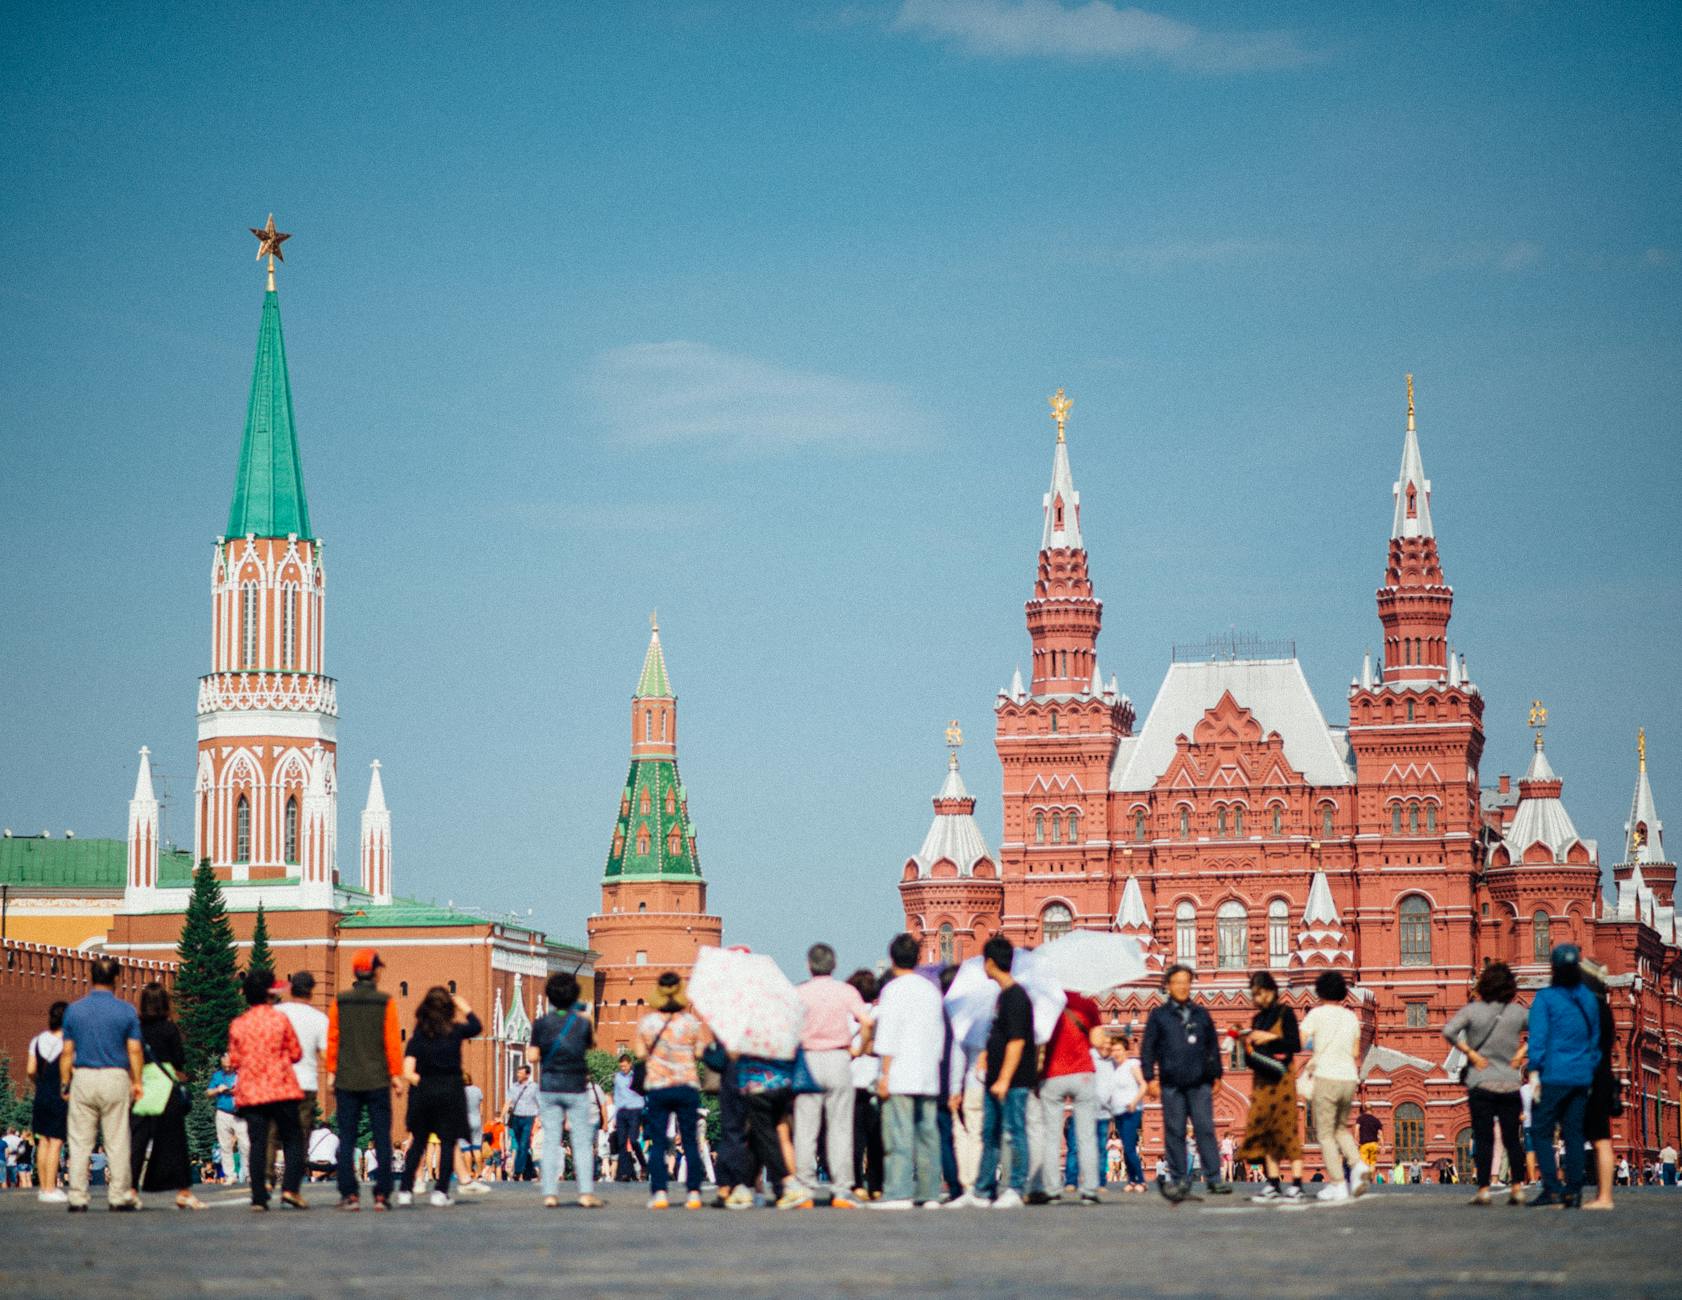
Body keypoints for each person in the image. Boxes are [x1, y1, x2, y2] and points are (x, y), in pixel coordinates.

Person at [60, 956, 144, 1212]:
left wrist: (65, 1083)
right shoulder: (126, 1010)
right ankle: (118, 1195)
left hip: (83, 1076)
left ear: (90, 976)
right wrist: (137, 1081)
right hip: (115, 1076)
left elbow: (66, 1051)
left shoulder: (74, 1010)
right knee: (117, 1139)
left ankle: (77, 1196)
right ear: (117, 979)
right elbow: (134, 1050)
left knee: (79, 1140)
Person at [1442, 960, 1528, 1206]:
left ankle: (1483, 1191)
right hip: (1510, 1084)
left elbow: (1449, 1031)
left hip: (1481, 1083)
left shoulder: (1473, 1011)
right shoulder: (1516, 1012)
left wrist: (1471, 1053)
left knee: (1483, 1136)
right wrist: (1521, 1053)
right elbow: (1545, 1029)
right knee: (1512, 1138)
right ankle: (1517, 1188)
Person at [1141, 963, 1227, 1203]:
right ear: (1168, 986)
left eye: (1186, 982)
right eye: (1177, 982)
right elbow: (1147, 1048)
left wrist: (1217, 1075)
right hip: (1171, 1083)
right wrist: (1149, 1078)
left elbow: (1212, 1046)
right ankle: (1179, 1178)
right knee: (1175, 1131)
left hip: (1200, 1082)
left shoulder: (1201, 1014)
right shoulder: (1159, 1016)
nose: (1182, 986)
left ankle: (1214, 1178)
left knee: (1205, 1129)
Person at [872, 934, 946, 1209]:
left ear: (892, 960)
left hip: (901, 1072)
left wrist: (884, 1073)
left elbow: (888, 1034)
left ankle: (898, 1191)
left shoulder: (892, 990)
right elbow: (939, 1032)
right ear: (917, 958)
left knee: (898, 1135)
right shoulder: (931, 990)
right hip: (928, 1072)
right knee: (928, 1134)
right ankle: (929, 1193)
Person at [794, 941, 871, 1206]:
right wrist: (860, 1049)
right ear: (834, 965)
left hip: (809, 1061)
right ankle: (841, 1189)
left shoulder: (800, 993)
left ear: (808, 965)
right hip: (839, 1058)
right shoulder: (845, 991)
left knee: (806, 1128)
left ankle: (804, 1188)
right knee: (840, 1127)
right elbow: (867, 1021)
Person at [325, 948, 402, 1211]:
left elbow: (333, 1039)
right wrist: (396, 1075)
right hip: (377, 1079)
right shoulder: (385, 1002)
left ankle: (349, 1194)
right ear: (375, 972)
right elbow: (392, 1042)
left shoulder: (340, 1002)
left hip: (347, 1078)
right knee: (382, 1136)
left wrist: (331, 1071)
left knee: (346, 1137)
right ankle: (382, 1194)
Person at [962, 936, 1035, 1209]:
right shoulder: (1003, 997)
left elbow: (1017, 1041)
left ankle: (1015, 1187)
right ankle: (982, 1190)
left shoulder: (1016, 997)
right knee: (990, 1133)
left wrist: (1004, 1078)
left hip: (1012, 1081)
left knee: (1014, 1132)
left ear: (990, 963)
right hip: (996, 1079)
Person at [1527, 943, 1599, 1208]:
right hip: (1581, 1077)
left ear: (1554, 968)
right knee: (1574, 1134)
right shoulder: (1589, 999)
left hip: (1553, 1077)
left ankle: (1553, 1188)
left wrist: (1534, 1072)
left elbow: (1538, 1038)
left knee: (1542, 1132)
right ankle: (1574, 1191)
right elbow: (1595, 1040)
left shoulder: (1546, 998)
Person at [228, 967, 306, 1211]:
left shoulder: (239, 1024)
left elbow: (234, 1060)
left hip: (251, 1092)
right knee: (293, 1139)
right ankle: (291, 1189)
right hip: (281, 1088)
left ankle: (259, 1197)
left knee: (257, 1143)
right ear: (270, 994)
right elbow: (296, 1053)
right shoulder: (280, 1020)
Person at [635, 970, 712, 1211]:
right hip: (686, 1086)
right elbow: (700, 1052)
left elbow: (639, 1054)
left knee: (659, 1142)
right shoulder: (689, 1023)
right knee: (689, 1141)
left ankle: (659, 1193)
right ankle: (694, 1194)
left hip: (658, 1087)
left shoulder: (647, 1023)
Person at [396, 986, 480, 1207]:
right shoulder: (455, 1032)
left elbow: (407, 1071)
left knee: (418, 1143)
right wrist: (465, 1007)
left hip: (423, 1095)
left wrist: (424, 1083)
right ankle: (441, 1191)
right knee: (447, 1142)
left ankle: (405, 1189)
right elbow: (476, 1027)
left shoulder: (418, 1038)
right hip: (450, 1093)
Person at [528, 971, 603, 1209]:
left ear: (549, 996)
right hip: (576, 1087)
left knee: (551, 1140)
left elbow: (531, 1056)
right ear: (574, 996)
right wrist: (587, 1018)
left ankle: (550, 1193)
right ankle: (585, 1193)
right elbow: (593, 1044)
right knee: (581, 1142)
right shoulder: (581, 1023)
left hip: (549, 1087)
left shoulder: (541, 1024)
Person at [128, 982, 201, 1210]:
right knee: (176, 1141)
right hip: (166, 1086)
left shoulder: (136, 1029)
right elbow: (179, 1058)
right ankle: (183, 1192)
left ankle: (130, 1190)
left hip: (142, 1085)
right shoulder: (169, 1028)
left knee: (138, 1141)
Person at [1034, 977, 1104, 1205]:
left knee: (1051, 1136)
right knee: (1086, 1135)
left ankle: (1053, 1190)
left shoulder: (1045, 1004)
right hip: (1083, 1073)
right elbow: (1097, 1040)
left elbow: (1039, 1040)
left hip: (1053, 1074)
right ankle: (1090, 1189)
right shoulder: (1087, 1004)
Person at [1236, 971, 1303, 1203]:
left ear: (1272, 991)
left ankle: (1296, 1183)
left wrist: (1269, 1038)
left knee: (1286, 1128)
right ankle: (1273, 1182)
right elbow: (1251, 1056)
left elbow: (1294, 1044)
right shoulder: (1257, 1019)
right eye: (1254, 994)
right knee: (1265, 1131)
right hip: (1262, 1081)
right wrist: (1247, 1046)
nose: (1258, 998)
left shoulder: (1286, 1013)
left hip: (1283, 1080)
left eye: (1261, 993)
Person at [1300, 969, 1366, 1203]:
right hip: (1349, 1078)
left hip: (1327, 1077)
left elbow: (1301, 1040)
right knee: (1340, 1128)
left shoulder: (1317, 1014)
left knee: (1325, 1134)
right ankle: (1357, 1165)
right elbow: (1356, 1051)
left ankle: (1338, 1183)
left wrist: (1317, 1046)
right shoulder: (1351, 1017)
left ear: (1320, 991)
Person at [1580, 961, 1621, 1212]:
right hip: (1603, 1075)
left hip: (1588, 1076)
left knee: (1584, 1136)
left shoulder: (1589, 1010)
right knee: (1602, 1139)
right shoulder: (1605, 1009)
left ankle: (1601, 1197)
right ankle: (1604, 1195)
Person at [845, 969, 884, 1200]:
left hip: (852, 1080)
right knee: (876, 1136)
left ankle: (856, 1183)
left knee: (854, 1137)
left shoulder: (850, 1016)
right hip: (876, 1079)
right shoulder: (881, 1013)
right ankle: (877, 1184)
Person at [26, 1001, 69, 1203]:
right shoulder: (69, 1043)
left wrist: (40, 1083)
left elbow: (30, 1070)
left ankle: (43, 1187)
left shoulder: (37, 1041)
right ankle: (51, 1189)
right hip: (60, 1094)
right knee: (56, 1141)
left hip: (41, 1094)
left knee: (43, 1139)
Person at [1097, 1029, 1146, 1192]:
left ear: (1126, 1050)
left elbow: (1143, 1085)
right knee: (1126, 1146)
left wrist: (1134, 1102)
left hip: (1132, 1110)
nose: (1115, 1053)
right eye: (1114, 1050)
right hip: (1117, 1112)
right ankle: (1132, 1180)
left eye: (1118, 1049)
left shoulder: (1132, 1064)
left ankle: (1141, 1180)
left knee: (1130, 1147)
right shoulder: (1113, 1068)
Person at [205, 1052, 249, 1185]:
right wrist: (218, 1089)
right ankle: (230, 1175)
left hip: (240, 1113)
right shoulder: (217, 1076)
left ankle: (248, 1174)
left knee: (245, 1145)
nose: (228, 1068)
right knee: (225, 1145)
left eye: (230, 1066)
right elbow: (208, 1092)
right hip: (223, 1113)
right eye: (225, 1066)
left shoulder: (241, 1074)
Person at [611, 1055, 647, 1181]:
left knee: (633, 1140)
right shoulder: (617, 1077)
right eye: (621, 1066)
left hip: (635, 1111)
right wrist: (615, 1115)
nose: (623, 1068)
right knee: (621, 1142)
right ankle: (625, 1172)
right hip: (622, 1111)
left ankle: (643, 1164)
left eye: (625, 1066)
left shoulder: (636, 1076)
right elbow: (616, 1096)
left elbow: (644, 1092)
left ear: (630, 1064)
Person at [505, 1064, 540, 1181]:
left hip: (528, 1117)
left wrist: (541, 1116)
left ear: (527, 1074)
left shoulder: (534, 1087)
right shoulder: (513, 1087)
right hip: (516, 1117)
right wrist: (502, 1116)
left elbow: (540, 1102)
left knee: (524, 1144)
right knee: (520, 1145)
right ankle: (528, 1168)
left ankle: (518, 1170)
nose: (518, 1075)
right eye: (518, 1072)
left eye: (520, 1073)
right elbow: (508, 1102)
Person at [1356, 1106, 1383, 1177]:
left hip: (1364, 1144)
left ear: (1364, 1110)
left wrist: (1356, 1141)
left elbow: (1356, 1129)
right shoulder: (1376, 1120)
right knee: (1372, 1163)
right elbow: (1380, 1134)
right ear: (1372, 1109)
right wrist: (1382, 1146)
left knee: (1363, 1162)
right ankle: (1370, 1176)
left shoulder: (1360, 1118)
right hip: (1374, 1144)